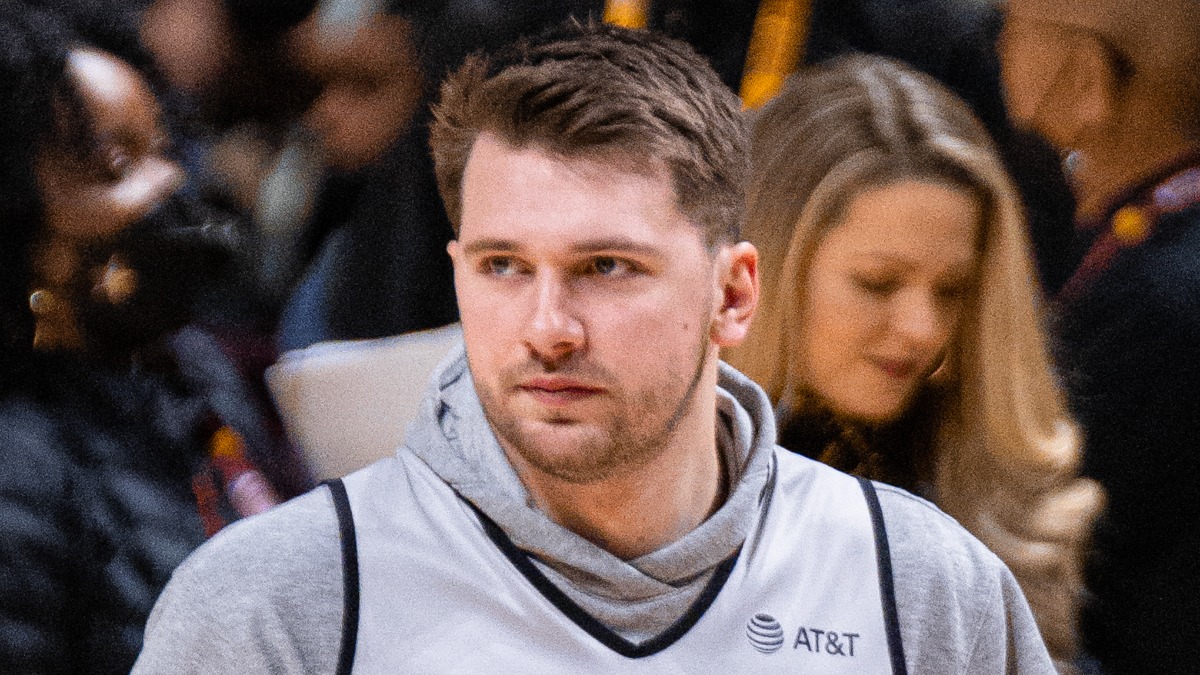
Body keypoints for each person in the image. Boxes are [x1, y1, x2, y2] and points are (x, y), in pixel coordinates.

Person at [135, 22, 1054, 673]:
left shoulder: (924, 587)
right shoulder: (274, 603)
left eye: (606, 267)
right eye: (503, 266)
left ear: (734, 294)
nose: (548, 327)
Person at [724, 54, 1102, 669]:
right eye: (877, 283)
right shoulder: (647, 472)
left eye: (952, 291)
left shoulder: (989, 482)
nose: (922, 329)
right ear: (754, 272)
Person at [0, 2, 291, 671]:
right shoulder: (17, 460)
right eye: (114, 163)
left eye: (161, 149)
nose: (168, 184)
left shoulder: (189, 371)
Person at [997, 1, 1200, 672]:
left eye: (1013, 23)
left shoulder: (1155, 298)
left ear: (1086, 76)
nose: (996, 44)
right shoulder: (1153, 237)